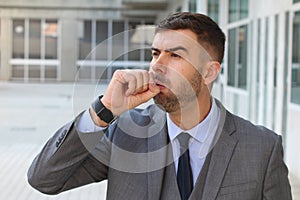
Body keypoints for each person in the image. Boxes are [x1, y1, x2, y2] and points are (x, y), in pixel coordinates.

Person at [27, 12, 292, 200]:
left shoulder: (262, 148)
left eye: (175, 55)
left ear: (210, 72)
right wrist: (105, 109)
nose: (156, 65)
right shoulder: (125, 134)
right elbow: (44, 179)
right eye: (155, 54)